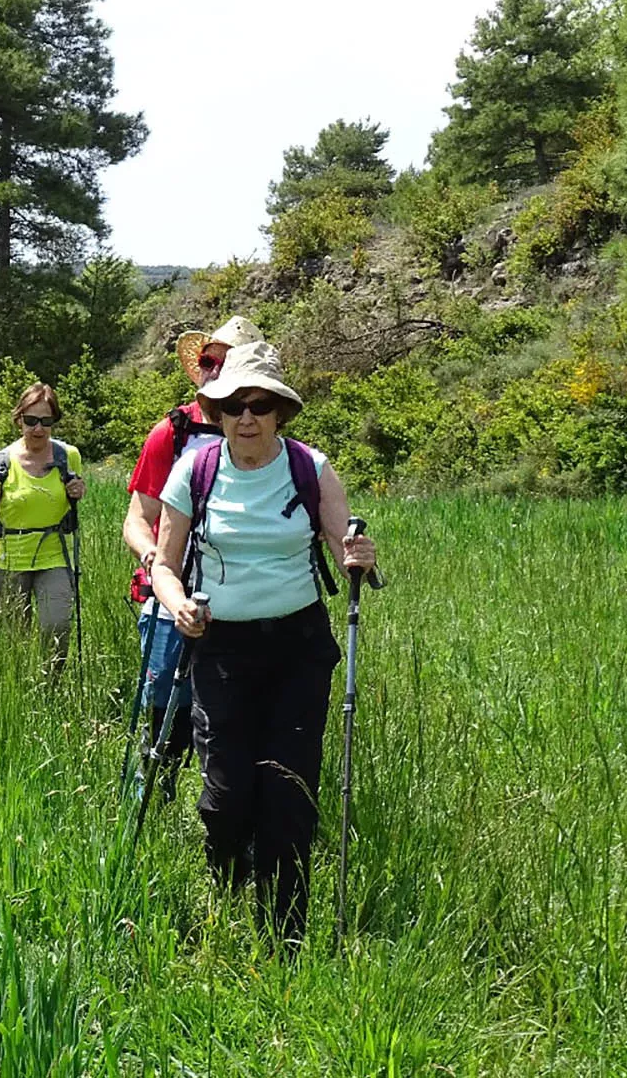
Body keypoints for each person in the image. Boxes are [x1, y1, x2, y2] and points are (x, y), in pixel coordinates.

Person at [149, 340, 377, 948]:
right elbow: (164, 565)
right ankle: (229, 888)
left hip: (298, 649)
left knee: (288, 794)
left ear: (279, 411)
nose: (246, 418)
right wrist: (178, 605)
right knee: (226, 798)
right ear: (216, 412)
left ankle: (287, 937)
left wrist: (360, 558)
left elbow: (343, 548)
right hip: (219, 649)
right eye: (233, 406)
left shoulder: (310, 468)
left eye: (259, 405)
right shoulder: (192, 471)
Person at [121, 316, 262, 802]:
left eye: (223, 361)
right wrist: (157, 560)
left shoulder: (260, 435)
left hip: (242, 600)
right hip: (171, 599)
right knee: (165, 712)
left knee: (231, 714)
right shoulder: (172, 432)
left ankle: (224, 810)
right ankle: (152, 803)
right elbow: (137, 517)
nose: (212, 369)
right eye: (207, 360)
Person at [0, 383, 87, 670]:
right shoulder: (2, 462)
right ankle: (22, 692)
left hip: (54, 556)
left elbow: (74, 491)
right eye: (31, 421)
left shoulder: (67, 456)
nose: (38, 429)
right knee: (14, 640)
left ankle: (51, 688)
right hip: (10, 559)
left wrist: (78, 490)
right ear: (19, 419)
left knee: (57, 625)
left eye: (46, 421)